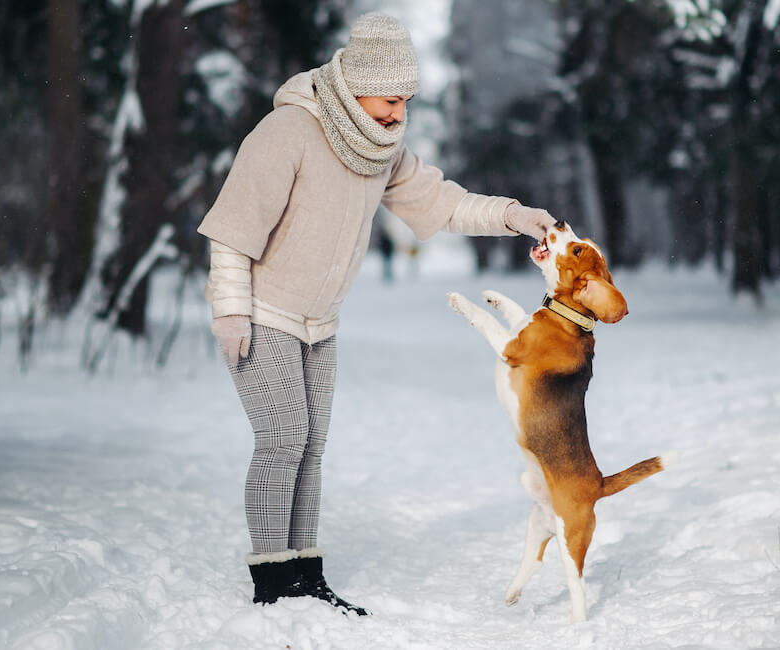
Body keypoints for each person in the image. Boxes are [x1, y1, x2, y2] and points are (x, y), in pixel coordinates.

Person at [197, 12, 555, 616]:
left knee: (311, 447)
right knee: (283, 438)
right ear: (357, 87)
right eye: (390, 100)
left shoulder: (380, 148)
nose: (398, 114)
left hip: (320, 323)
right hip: (263, 311)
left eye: (406, 102)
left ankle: (304, 578)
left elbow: (442, 202)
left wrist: (513, 216)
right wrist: (230, 312)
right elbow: (233, 229)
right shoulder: (288, 132)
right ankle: (270, 584)